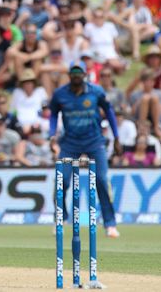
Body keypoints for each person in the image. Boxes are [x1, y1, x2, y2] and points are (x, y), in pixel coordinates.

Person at [49, 60, 121, 238]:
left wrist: (117, 136)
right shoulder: (60, 94)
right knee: (61, 180)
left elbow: (109, 112)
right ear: (69, 75)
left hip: (94, 142)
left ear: (84, 74)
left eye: (79, 72)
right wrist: (52, 134)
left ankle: (110, 223)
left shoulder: (96, 92)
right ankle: (61, 217)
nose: (76, 76)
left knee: (102, 181)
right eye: (73, 73)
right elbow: (53, 114)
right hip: (70, 143)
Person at [9, 69, 48, 134]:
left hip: (38, 123)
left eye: (30, 82)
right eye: (25, 82)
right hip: (21, 124)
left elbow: (46, 109)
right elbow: (12, 110)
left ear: (34, 83)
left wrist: (38, 121)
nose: (28, 84)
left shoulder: (41, 91)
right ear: (22, 84)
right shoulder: (17, 92)